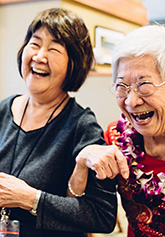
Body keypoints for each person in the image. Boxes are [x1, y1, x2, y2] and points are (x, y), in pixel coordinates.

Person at [70, 24, 165, 236]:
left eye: (144, 85)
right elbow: (82, 216)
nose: (132, 101)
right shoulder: (115, 139)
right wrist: (81, 163)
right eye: (122, 87)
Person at [0, 8, 118, 237]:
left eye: (53, 49)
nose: (39, 56)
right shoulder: (4, 109)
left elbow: (102, 216)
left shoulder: (82, 127)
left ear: (73, 63)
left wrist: (30, 198)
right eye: (34, 44)